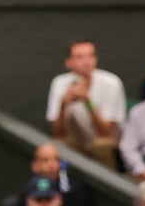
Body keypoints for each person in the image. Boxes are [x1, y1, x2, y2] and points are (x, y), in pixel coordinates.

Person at [47, 38, 127, 167]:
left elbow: (105, 133)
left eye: (90, 55)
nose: (86, 61)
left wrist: (87, 101)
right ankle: (64, 186)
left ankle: (107, 186)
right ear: (68, 62)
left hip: (113, 146)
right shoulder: (59, 83)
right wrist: (63, 105)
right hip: (80, 144)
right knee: (55, 146)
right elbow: (59, 134)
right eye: (79, 57)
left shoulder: (112, 82)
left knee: (100, 145)